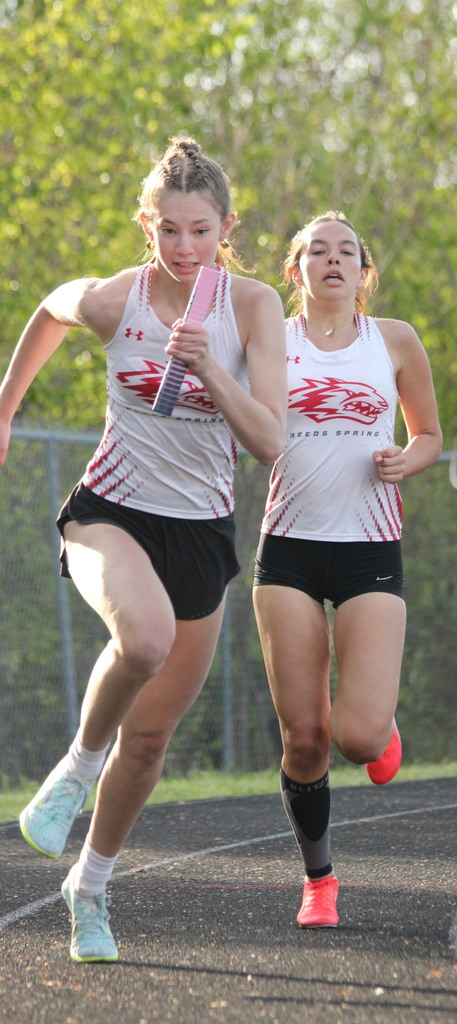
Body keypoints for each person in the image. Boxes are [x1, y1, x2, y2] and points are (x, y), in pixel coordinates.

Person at [0, 137, 287, 961]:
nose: (184, 248)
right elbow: (50, 309)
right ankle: (74, 771)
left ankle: (88, 888)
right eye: (169, 230)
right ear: (146, 224)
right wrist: (7, 407)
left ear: (226, 227)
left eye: (200, 231)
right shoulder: (116, 300)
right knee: (146, 638)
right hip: (108, 511)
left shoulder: (253, 306)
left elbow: (270, 442)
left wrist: (212, 371)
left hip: (199, 534)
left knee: (153, 742)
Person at [252, 211, 442, 928]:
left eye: (347, 252)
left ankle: (380, 730)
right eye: (318, 251)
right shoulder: (270, 341)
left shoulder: (393, 340)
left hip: (369, 550)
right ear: (295, 268)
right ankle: (319, 880)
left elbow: (428, 433)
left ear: (364, 271)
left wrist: (407, 458)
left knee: (357, 740)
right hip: (290, 548)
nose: (333, 260)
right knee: (303, 738)